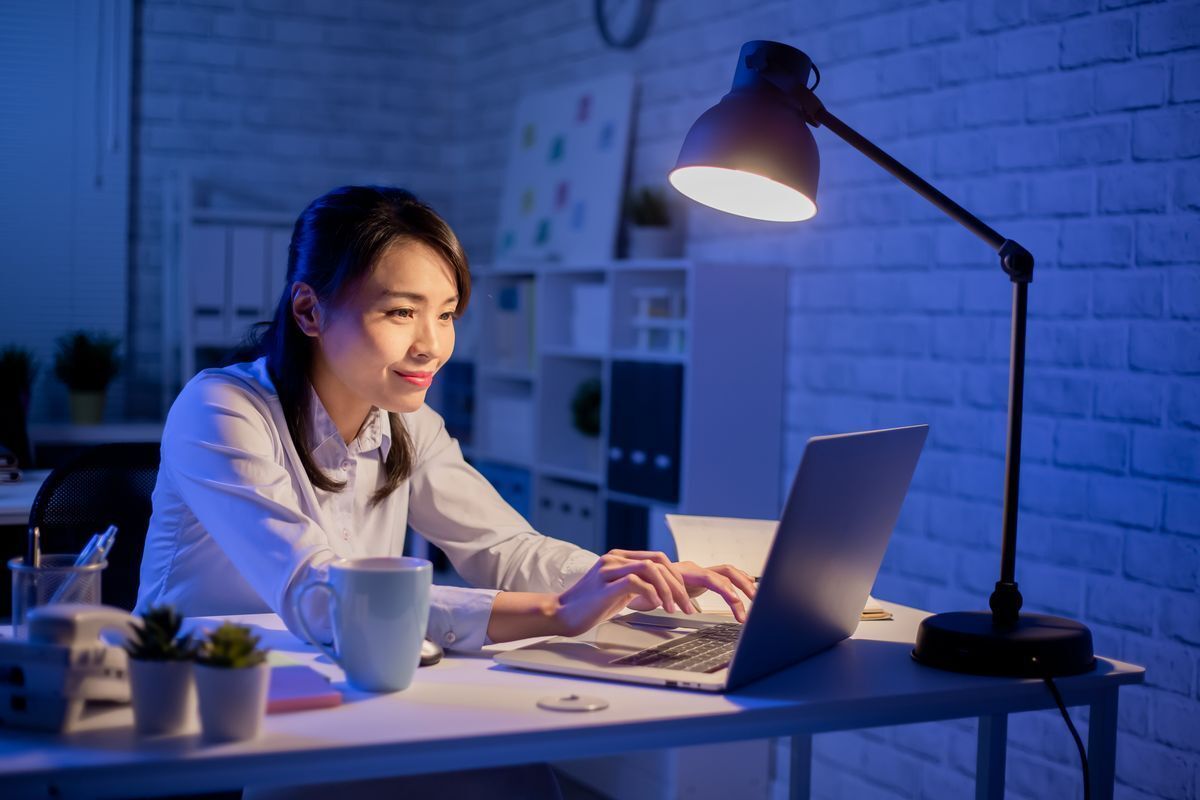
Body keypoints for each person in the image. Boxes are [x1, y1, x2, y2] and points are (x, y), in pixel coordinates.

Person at [137, 184, 755, 662]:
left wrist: (628, 581)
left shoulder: (408, 422)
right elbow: (319, 596)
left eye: (448, 314)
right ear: (309, 311)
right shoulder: (220, 409)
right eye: (401, 312)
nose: (432, 345)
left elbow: (504, 550)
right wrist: (555, 610)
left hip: (346, 685)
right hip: (197, 704)